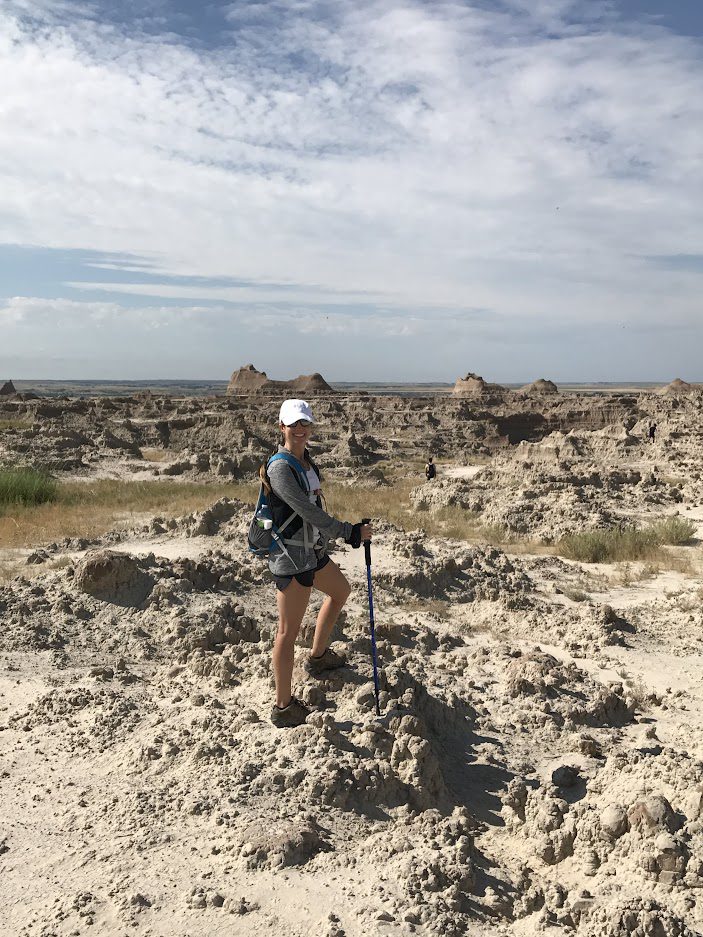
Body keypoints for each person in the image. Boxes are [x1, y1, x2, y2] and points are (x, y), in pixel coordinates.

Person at [266, 399, 372, 728]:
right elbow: (307, 511)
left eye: (305, 424)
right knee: (287, 632)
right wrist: (347, 532)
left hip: (311, 553)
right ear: (282, 427)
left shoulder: (306, 462)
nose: (300, 429)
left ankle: (317, 657)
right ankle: (283, 708)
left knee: (340, 591)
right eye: (293, 424)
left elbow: (313, 505)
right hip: (291, 560)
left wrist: (341, 534)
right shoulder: (280, 467)